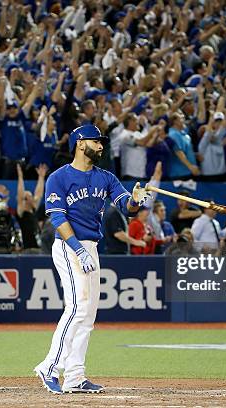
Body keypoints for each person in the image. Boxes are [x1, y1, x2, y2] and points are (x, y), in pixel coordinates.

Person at [34, 124, 151, 394]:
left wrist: (135, 200)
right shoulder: (59, 177)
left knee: (88, 314)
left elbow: (127, 207)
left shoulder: (106, 177)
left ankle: (75, 376)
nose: (100, 146)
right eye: (95, 141)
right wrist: (77, 248)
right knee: (77, 307)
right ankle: (49, 367)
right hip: (68, 244)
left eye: (101, 142)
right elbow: (57, 218)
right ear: (79, 142)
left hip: (92, 245)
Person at [16, 163, 46, 251]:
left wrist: (41, 177)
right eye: (26, 198)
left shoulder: (33, 209)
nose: (27, 199)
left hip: (39, 248)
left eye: (30, 196)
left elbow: (39, 194)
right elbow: (20, 196)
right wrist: (20, 177)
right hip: (28, 249)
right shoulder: (21, 213)